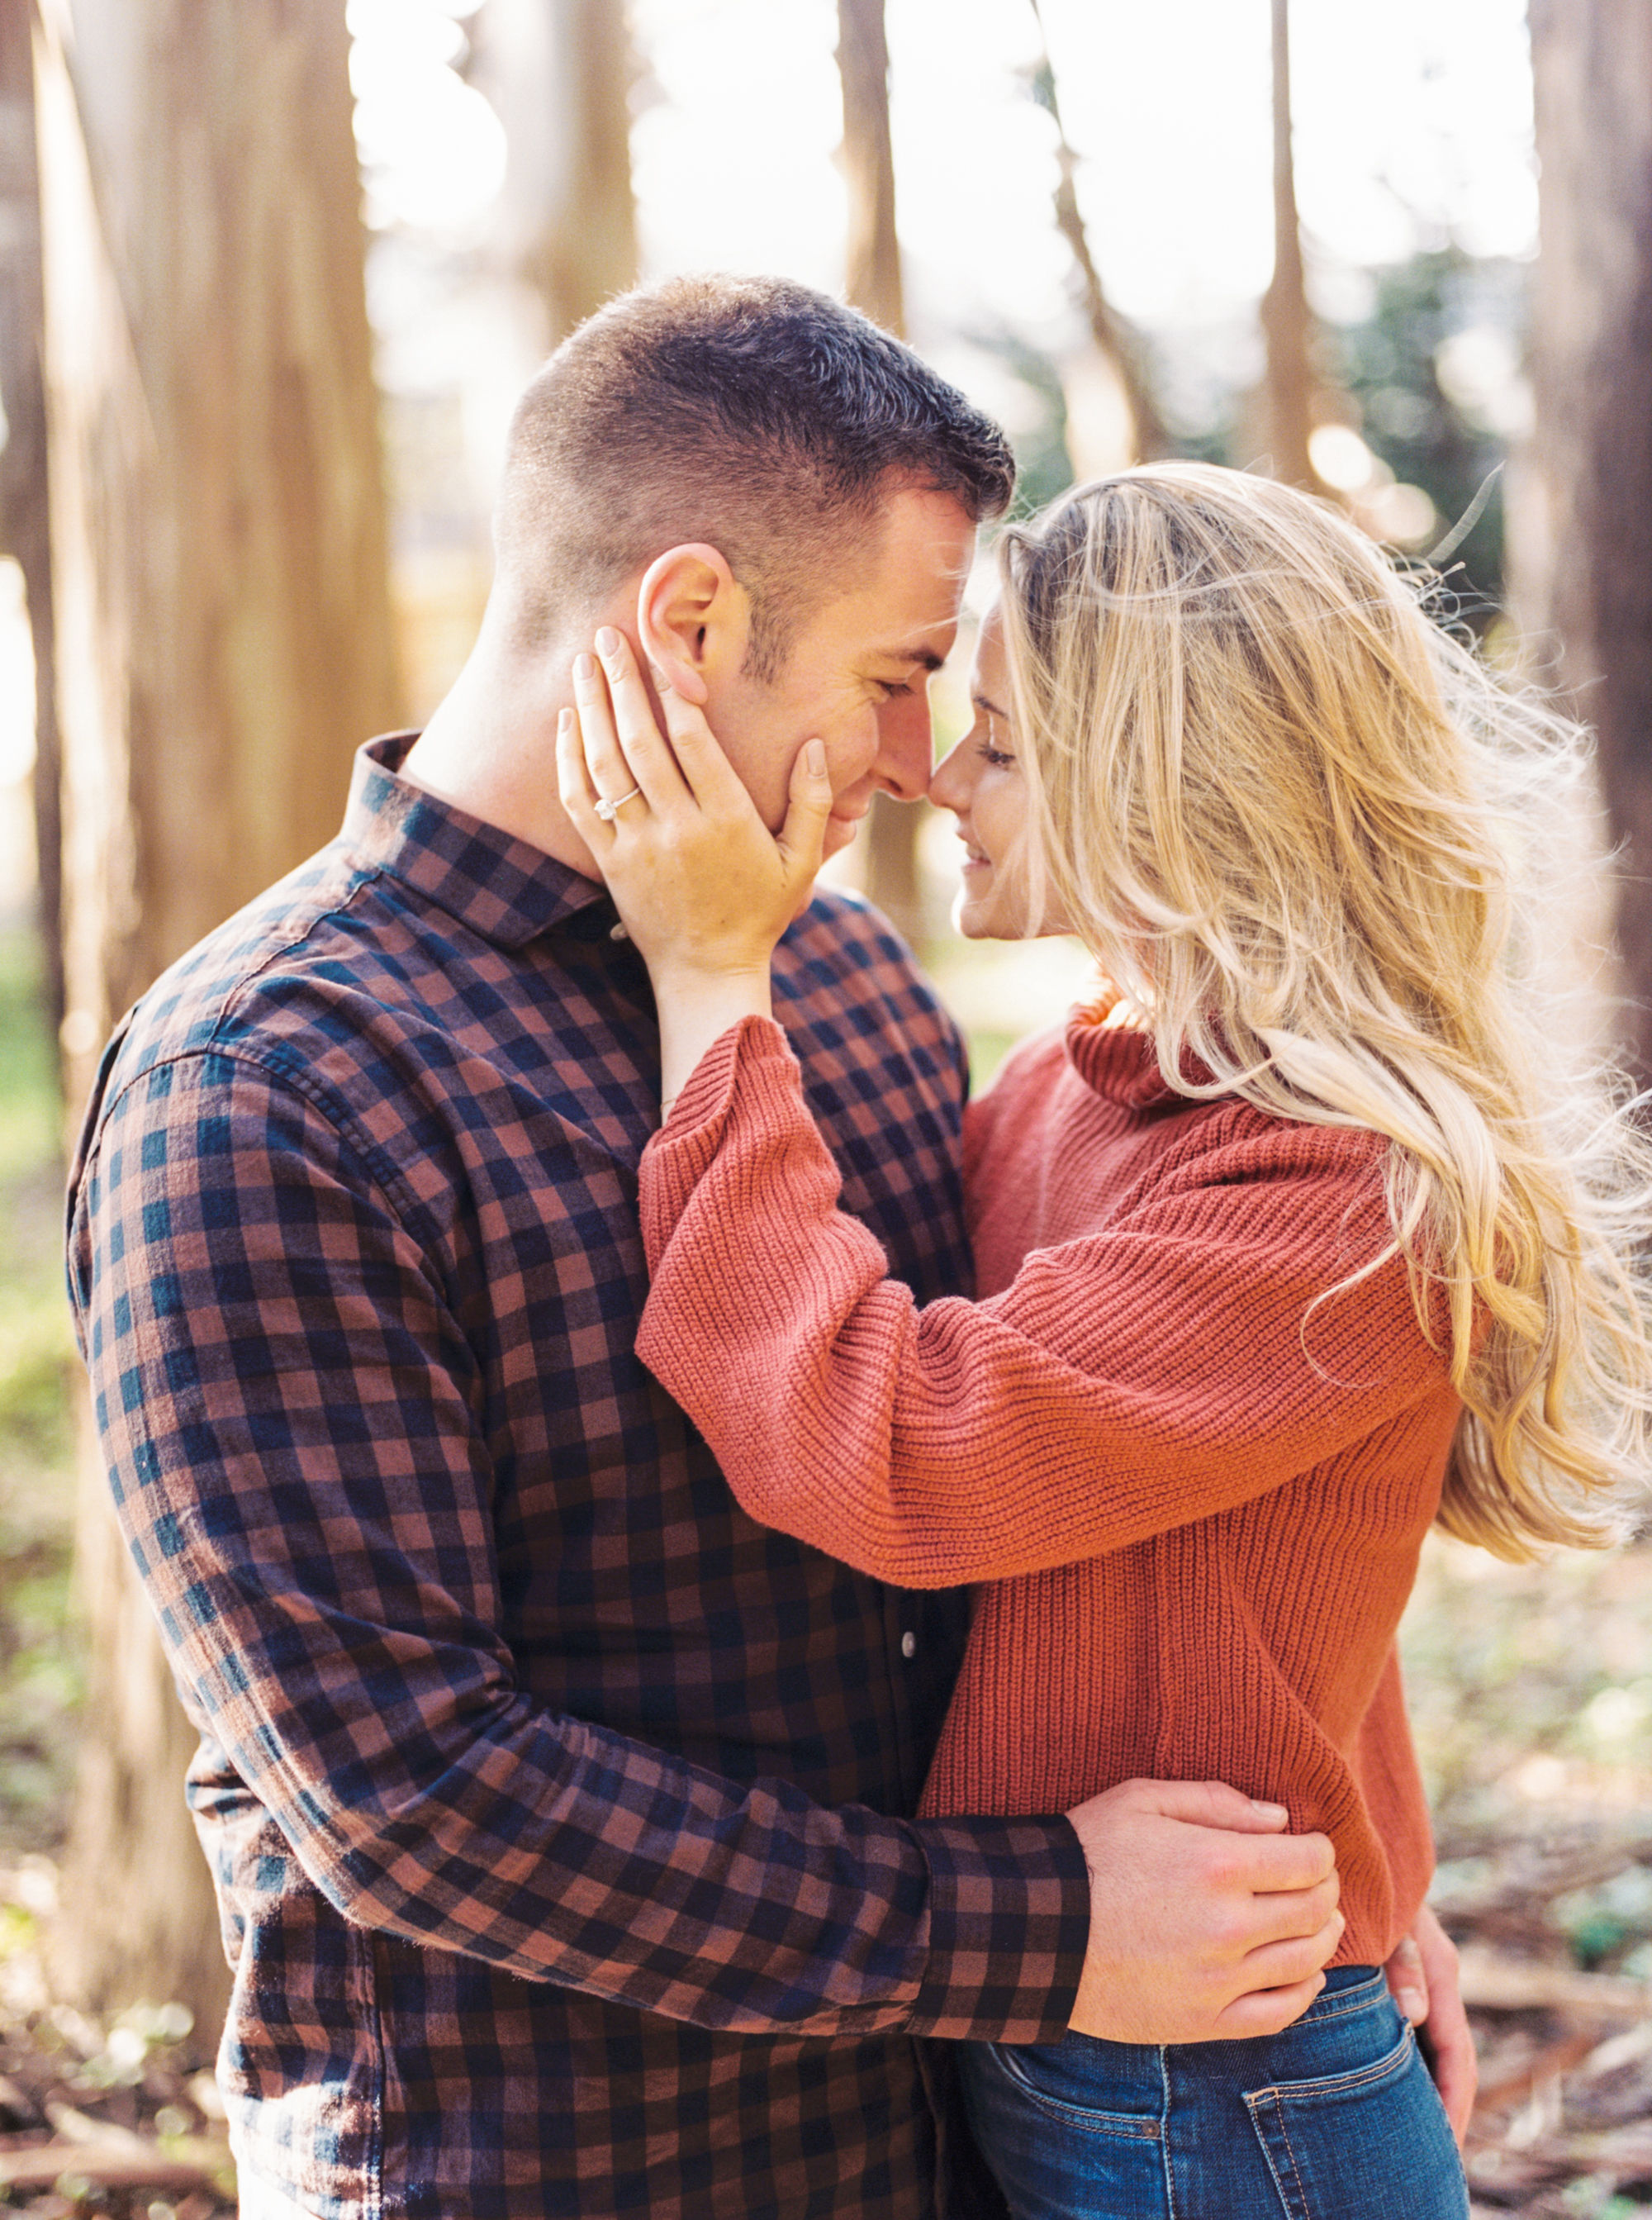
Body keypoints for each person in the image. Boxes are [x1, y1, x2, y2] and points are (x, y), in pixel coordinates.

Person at [67, 280, 1451, 2220]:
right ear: (689, 621)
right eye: (900, 673)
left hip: (981, 2140)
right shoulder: (270, 1092)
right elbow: (410, 1791)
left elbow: (1166, 1477)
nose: (914, 756)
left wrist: (1342, 1872)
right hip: (565, 2170)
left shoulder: (844, 983)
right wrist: (1035, 1928)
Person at [558, 460, 1651, 2217]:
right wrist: (1376, 1866)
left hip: (1220, 2090)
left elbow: (892, 1444)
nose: (932, 775)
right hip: (1117, 2027)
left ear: (1159, 786)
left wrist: (708, 983)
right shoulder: (1070, 1087)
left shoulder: (1331, 1189)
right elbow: (1260, 1563)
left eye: (996, 744)